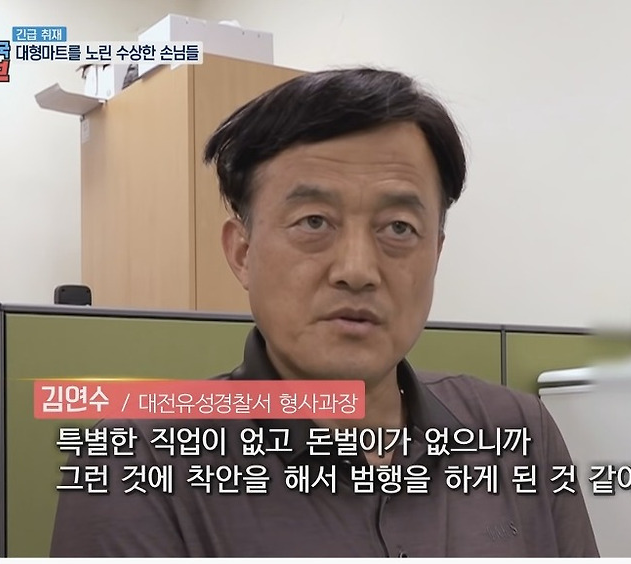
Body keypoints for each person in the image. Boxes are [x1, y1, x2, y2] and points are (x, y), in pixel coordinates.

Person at [50, 67, 599, 557]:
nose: (357, 270)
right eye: (314, 222)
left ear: (435, 253)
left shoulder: (517, 432)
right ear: (242, 253)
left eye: (399, 228)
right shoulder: (137, 464)